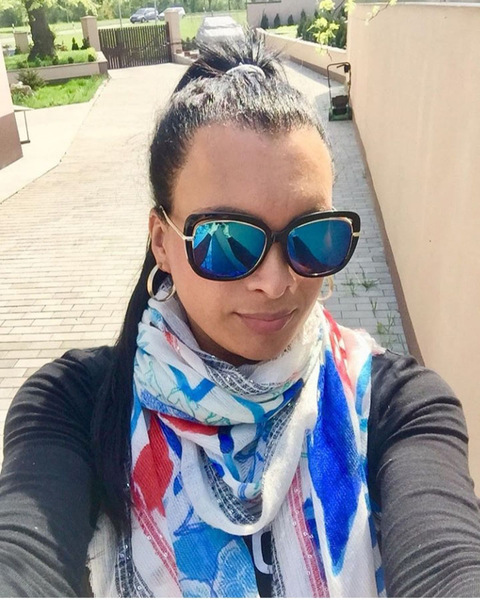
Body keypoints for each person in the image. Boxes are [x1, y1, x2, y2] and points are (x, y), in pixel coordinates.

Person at [0, 34, 479, 598]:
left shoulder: (396, 406)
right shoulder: (75, 405)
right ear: (162, 241)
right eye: (226, 240)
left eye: (313, 236)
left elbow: (447, 563)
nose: (276, 283)